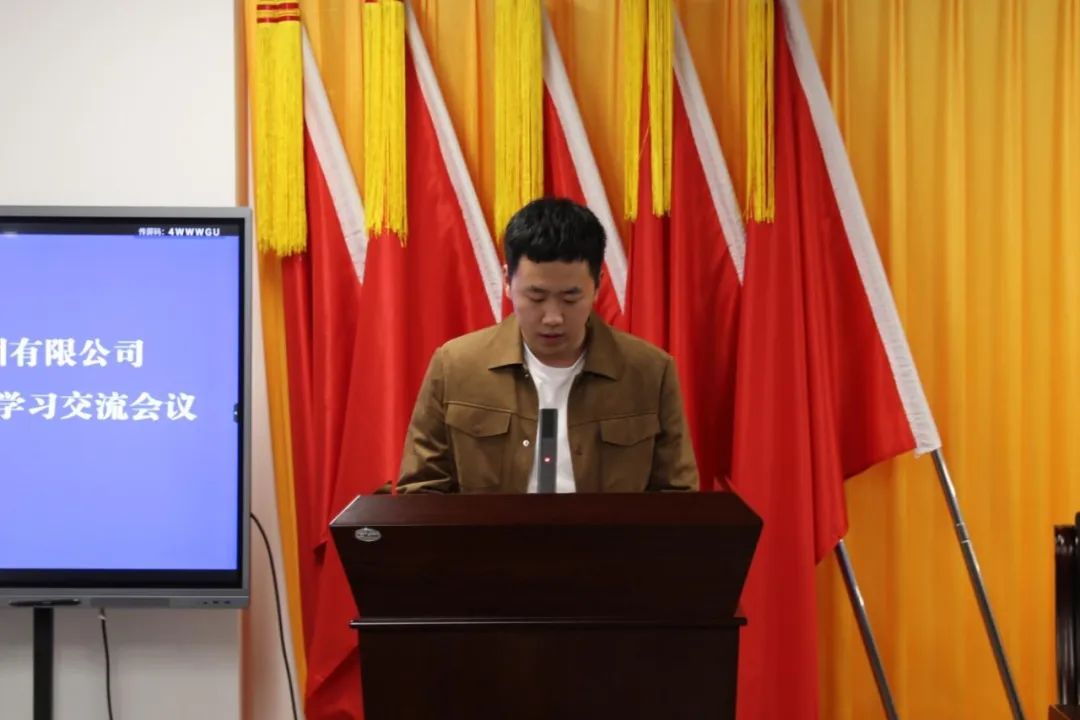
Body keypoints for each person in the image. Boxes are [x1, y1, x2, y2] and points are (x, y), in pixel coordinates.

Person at [395, 197, 698, 493]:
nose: (553, 317)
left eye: (570, 298)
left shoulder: (650, 371)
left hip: (609, 531)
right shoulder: (455, 366)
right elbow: (422, 490)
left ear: (598, 285)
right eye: (536, 297)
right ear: (507, 281)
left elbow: (676, 496)